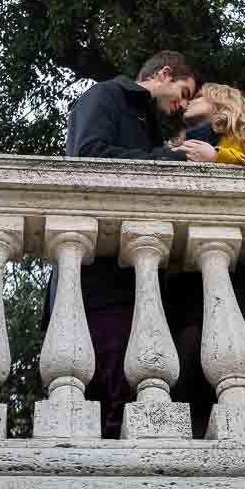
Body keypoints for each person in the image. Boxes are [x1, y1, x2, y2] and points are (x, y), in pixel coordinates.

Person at [62, 50, 211, 438]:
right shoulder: (106, 95)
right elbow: (88, 158)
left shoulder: (150, 126)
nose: (182, 104)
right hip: (101, 286)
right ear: (163, 74)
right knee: (113, 412)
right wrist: (169, 158)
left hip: (137, 286)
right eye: (184, 91)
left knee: (135, 409)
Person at [166, 83, 245, 436]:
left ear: (222, 105)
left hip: (236, 273)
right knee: (181, 363)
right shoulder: (182, 143)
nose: (189, 101)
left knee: (221, 363)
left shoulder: (241, 140)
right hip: (185, 272)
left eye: (198, 96)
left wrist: (218, 159)